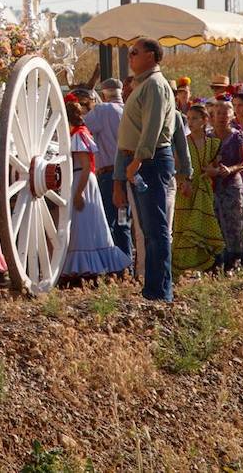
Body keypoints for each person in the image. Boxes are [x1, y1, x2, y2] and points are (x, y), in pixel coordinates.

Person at [113, 38, 177, 302]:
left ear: (151, 56)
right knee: (149, 229)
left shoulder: (154, 85)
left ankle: (159, 291)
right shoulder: (144, 85)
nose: (130, 57)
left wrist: (136, 163)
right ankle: (153, 289)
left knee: (156, 228)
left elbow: (151, 129)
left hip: (149, 162)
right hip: (140, 162)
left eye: (134, 52)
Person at [61, 97, 131, 283]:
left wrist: (78, 193)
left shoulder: (78, 134)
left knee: (86, 224)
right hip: (85, 179)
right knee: (95, 223)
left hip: (82, 180)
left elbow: (85, 166)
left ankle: (88, 268)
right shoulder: (80, 133)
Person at [171, 105, 223, 275]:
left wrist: (214, 171)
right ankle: (180, 269)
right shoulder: (183, 142)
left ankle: (201, 269)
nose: (190, 122)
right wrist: (182, 182)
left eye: (194, 118)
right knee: (184, 227)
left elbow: (217, 166)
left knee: (202, 226)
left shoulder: (213, 143)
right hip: (186, 190)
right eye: (188, 119)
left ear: (205, 120)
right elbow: (177, 165)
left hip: (205, 191)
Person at [83, 78, 130, 259]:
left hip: (109, 175)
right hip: (126, 175)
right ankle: (126, 263)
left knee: (107, 221)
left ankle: (111, 263)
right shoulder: (127, 110)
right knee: (123, 221)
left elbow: (82, 127)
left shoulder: (103, 110)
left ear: (103, 94)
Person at [209, 102, 243, 269]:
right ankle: (217, 260)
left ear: (232, 116)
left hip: (232, 186)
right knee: (215, 220)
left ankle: (237, 259)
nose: (221, 117)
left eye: (225, 114)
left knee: (236, 222)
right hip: (213, 185)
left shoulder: (238, 136)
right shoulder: (208, 137)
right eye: (218, 113)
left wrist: (230, 169)